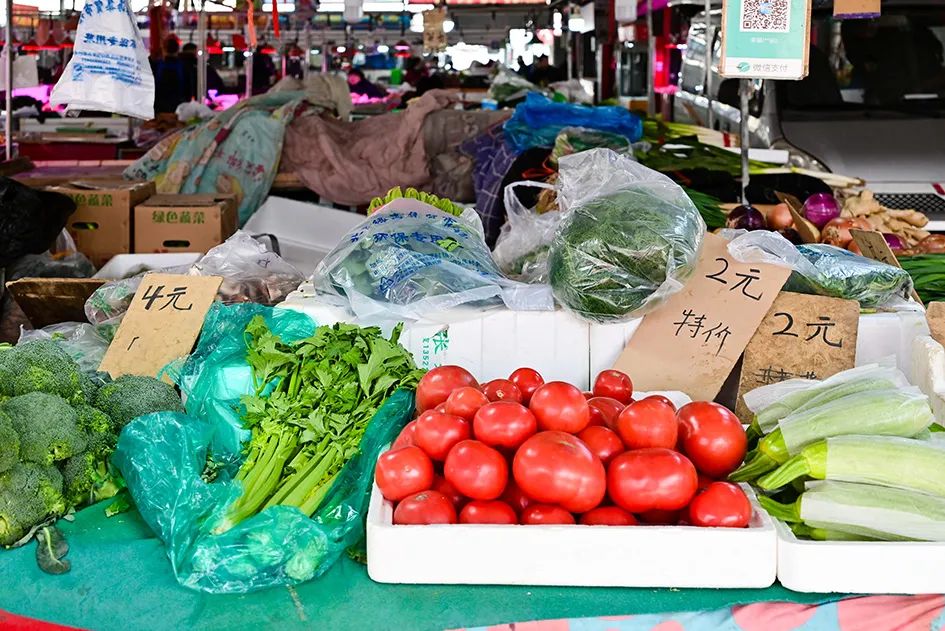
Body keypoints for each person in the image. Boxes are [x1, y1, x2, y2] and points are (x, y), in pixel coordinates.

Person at [154, 36, 187, 114]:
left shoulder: (156, 65)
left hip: (159, 105)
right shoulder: (184, 66)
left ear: (164, 49)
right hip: (179, 105)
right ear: (178, 49)